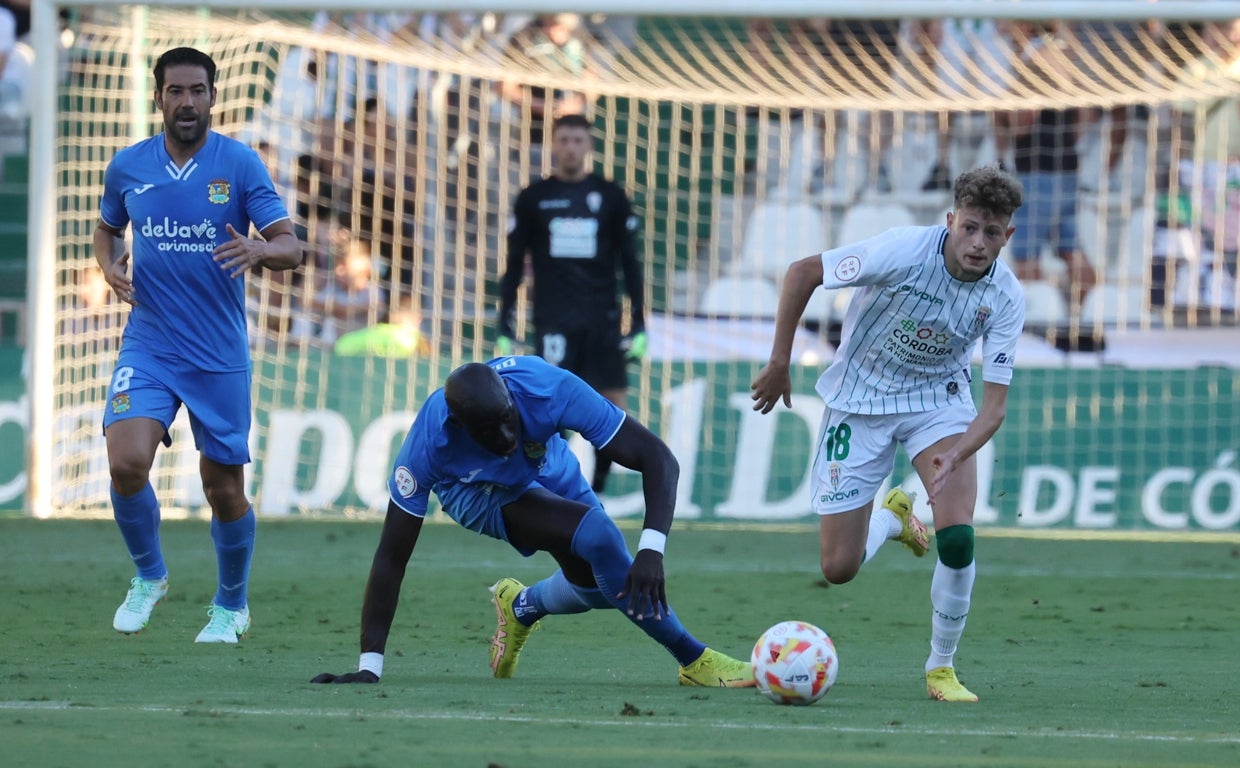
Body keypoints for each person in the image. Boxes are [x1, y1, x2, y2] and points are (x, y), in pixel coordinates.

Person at [750, 165, 1026, 702]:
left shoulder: (1007, 297)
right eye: (970, 227)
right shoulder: (902, 250)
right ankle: (892, 518)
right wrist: (780, 361)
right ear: (950, 220)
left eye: (992, 232)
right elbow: (802, 271)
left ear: (1007, 235)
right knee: (838, 568)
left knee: (958, 533)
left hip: (938, 406)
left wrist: (957, 454)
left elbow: (992, 409)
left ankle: (940, 668)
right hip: (858, 400)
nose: (978, 242)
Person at [310, 356, 754, 687]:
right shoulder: (429, 443)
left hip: (547, 465)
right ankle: (695, 661)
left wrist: (652, 548)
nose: (504, 438)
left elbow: (659, 459)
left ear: (511, 397)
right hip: (475, 493)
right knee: (599, 535)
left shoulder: (546, 387)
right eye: (488, 432)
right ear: (459, 427)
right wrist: (370, 666)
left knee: (602, 586)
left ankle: (521, 606)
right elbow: (391, 556)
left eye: (508, 421)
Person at [94, 47, 301, 643]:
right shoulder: (129, 167)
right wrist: (109, 269)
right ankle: (149, 576)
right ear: (158, 97)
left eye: (198, 91)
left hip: (217, 355)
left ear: (214, 97)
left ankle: (231, 606)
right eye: (175, 91)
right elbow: (107, 230)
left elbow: (292, 246)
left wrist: (262, 250)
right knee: (126, 462)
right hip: (150, 345)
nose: (187, 102)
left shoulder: (238, 165)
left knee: (222, 488)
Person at [497, 113, 645, 494]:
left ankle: (598, 487)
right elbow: (514, 265)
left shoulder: (610, 196)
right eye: (564, 140)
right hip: (554, 320)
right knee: (547, 405)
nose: (570, 148)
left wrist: (640, 323)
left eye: (578, 141)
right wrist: (504, 325)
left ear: (589, 146)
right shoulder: (534, 198)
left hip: (602, 319)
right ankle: (550, 484)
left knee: (611, 404)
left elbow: (630, 263)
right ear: (553, 145)